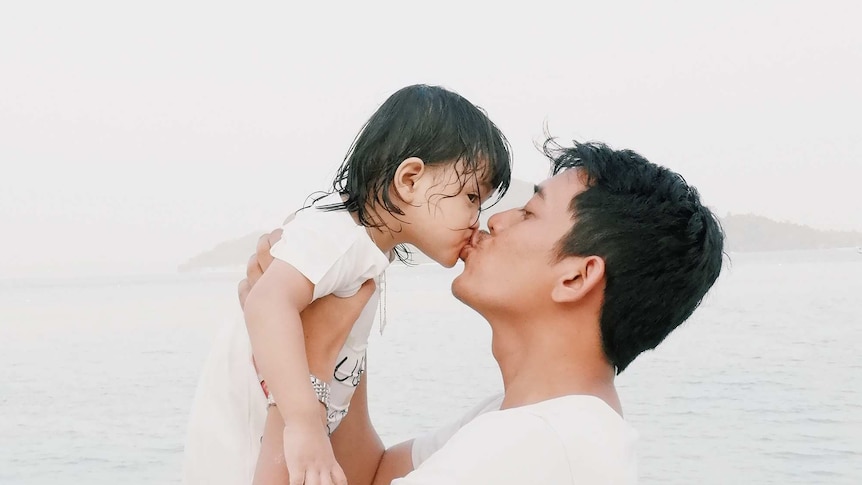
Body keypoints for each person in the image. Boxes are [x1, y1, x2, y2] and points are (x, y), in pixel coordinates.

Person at [240, 138, 725, 484]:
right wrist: (341, 310)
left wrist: (307, 363)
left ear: (576, 277)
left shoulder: (534, 447)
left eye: (530, 212)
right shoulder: (534, 422)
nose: (495, 218)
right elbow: (372, 474)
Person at [182, 84, 511, 485]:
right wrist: (304, 423)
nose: (477, 218)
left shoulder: (364, 254)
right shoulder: (336, 234)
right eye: (472, 196)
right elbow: (265, 303)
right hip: (243, 448)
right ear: (409, 179)